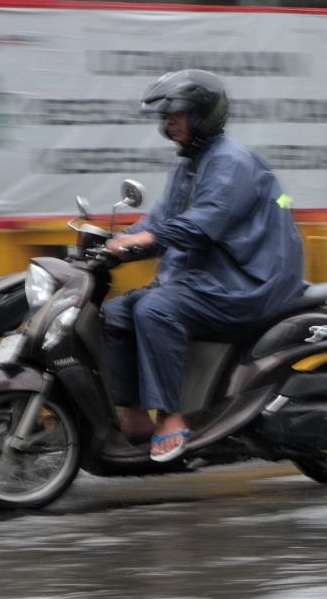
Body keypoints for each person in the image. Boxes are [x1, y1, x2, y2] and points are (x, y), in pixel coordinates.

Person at [103, 69, 306, 462]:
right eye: (166, 115)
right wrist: (117, 243)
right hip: (204, 281)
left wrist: (146, 239)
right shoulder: (188, 165)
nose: (168, 122)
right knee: (113, 313)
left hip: (245, 284)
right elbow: (160, 221)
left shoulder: (232, 162)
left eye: (178, 113)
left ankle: (170, 416)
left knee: (155, 309)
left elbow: (203, 223)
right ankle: (135, 416)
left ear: (204, 114)